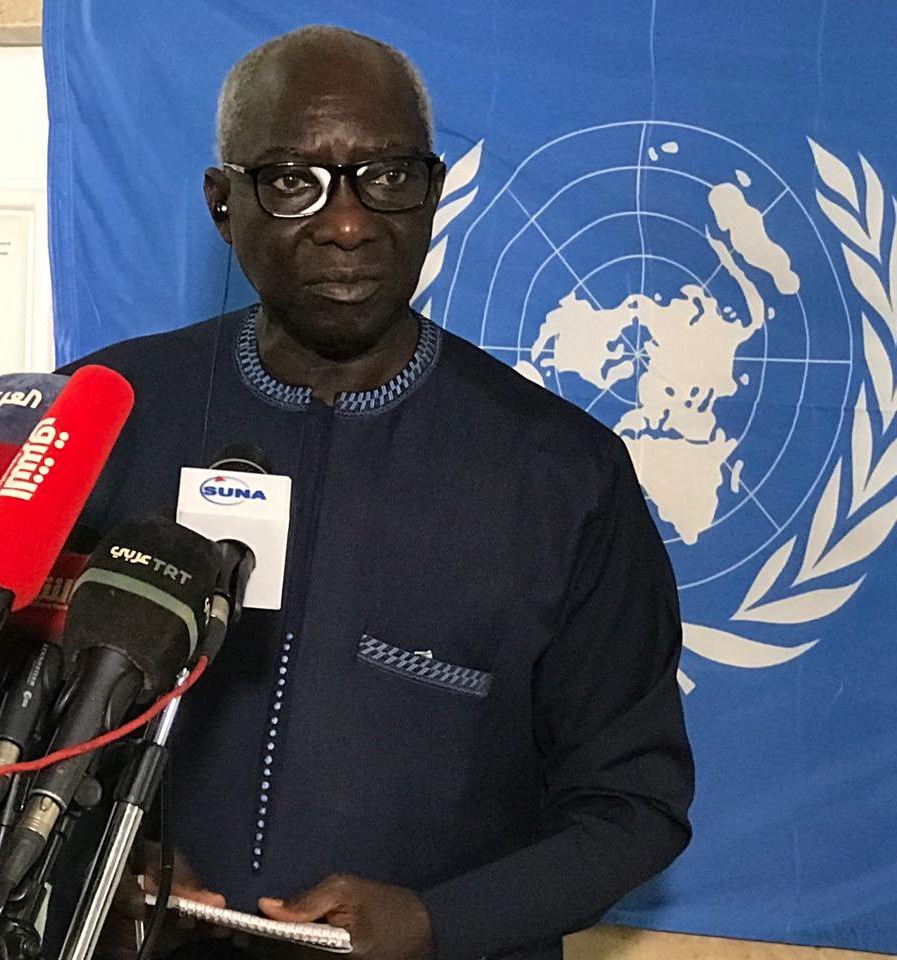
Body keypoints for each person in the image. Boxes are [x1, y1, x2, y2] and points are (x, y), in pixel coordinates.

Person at [62, 25, 694, 960]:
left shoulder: (566, 474)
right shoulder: (104, 414)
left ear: (433, 192)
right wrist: (91, 856)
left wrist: (437, 925)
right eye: (293, 180)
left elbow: (633, 806)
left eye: (388, 176)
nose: (350, 224)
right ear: (223, 205)